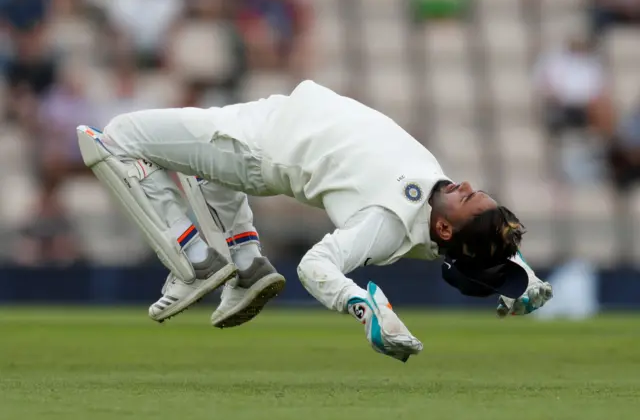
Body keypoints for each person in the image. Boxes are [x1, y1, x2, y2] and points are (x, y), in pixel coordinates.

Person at [77, 80, 553, 362]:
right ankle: (246, 264)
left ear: (447, 227)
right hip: (268, 120)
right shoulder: (436, 208)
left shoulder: (386, 223)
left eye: (468, 198)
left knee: (113, 137)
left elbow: (316, 266)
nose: (463, 184)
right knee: (196, 164)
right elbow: (472, 251)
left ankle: (195, 258)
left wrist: (366, 310)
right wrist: (520, 276)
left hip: (257, 145)